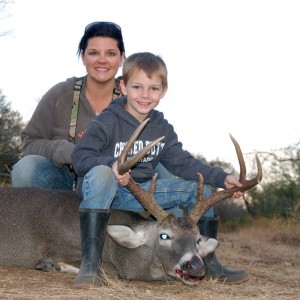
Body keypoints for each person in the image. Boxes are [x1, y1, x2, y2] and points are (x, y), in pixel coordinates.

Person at [71, 52, 248, 286]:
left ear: (163, 91)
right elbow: (80, 157)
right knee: (102, 174)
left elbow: (184, 163)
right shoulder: (108, 121)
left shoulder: (161, 127)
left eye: (153, 89)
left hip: (141, 194)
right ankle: (90, 266)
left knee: (203, 191)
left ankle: (209, 262)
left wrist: (223, 178)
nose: (145, 95)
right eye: (137, 87)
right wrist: (111, 166)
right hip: (106, 191)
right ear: (123, 87)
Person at [11, 21, 126, 189]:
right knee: (25, 169)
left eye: (110, 53)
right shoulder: (61, 93)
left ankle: (174, 214)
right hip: (64, 185)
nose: (102, 60)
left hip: (115, 185)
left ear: (122, 58)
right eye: (93, 53)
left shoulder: (134, 97)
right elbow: (30, 142)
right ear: (83, 56)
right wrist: (68, 151)